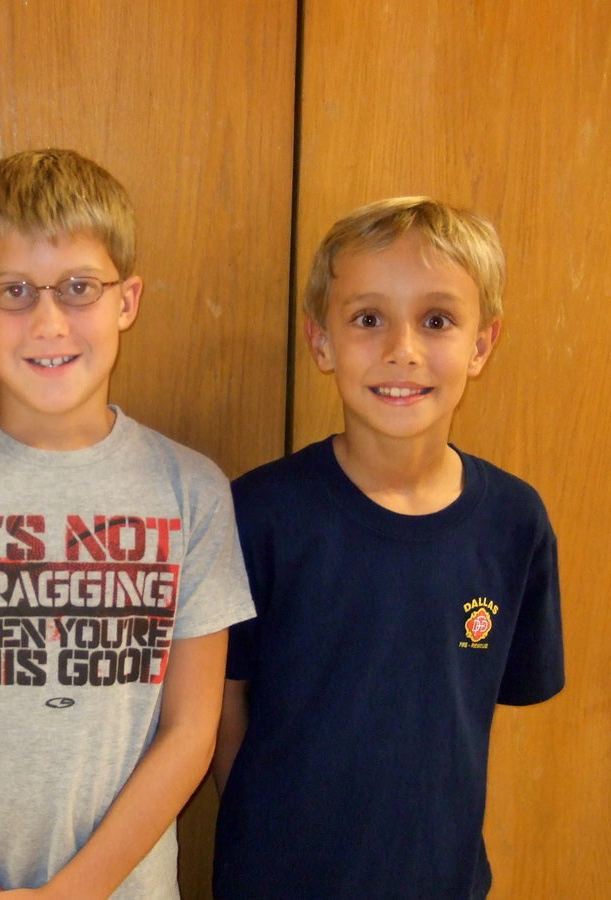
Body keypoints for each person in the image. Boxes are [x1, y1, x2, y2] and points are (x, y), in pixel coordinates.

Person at [0, 148, 254, 899]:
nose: (49, 320)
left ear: (127, 300)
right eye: (16, 291)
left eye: (79, 288)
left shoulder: (192, 494)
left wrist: (73, 894)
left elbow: (191, 731)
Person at [211, 196, 565, 899]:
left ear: (482, 344)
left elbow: (485, 709)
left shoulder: (514, 522)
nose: (402, 349)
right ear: (321, 342)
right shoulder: (258, 514)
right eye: (368, 319)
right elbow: (222, 711)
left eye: (436, 320)